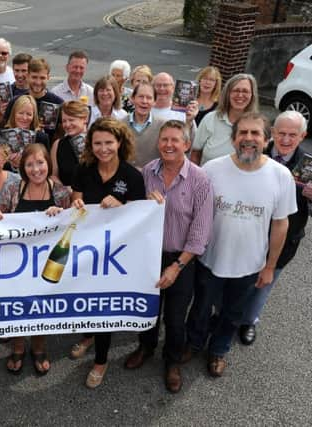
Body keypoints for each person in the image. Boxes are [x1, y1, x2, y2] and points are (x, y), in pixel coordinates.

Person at [184, 112, 297, 378]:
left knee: (233, 314)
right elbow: (195, 211)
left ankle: (219, 350)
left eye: (255, 133)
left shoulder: (281, 176)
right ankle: (194, 343)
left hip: (249, 264)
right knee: (200, 308)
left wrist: (270, 266)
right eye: (243, 133)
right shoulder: (212, 169)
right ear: (233, 139)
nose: (249, 139)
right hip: (209, 259)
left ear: (267, 140)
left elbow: (281, 224)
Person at [123, 120, 213, 393]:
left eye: (176, 140)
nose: (169, 145)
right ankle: (146, 347)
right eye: (165, 140)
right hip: (149, 255)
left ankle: (172, 361)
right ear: (158, 143)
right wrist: (140, 205)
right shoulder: (147, 172)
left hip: (182, 259)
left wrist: (177, 266)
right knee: (148, 308)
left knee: (174, 317)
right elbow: (130, 212)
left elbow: (200, 233)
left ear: (186, 144)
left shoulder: (200, 180)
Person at [69, 117, 145, 388]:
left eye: (109, 143)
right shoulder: (84, 169)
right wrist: (76, 202)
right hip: (87, 248)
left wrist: (122, 204)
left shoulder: (132, 176)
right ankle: (88, 335)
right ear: (91, 144)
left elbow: (139, 218)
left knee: (104, 305)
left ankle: (101, 361)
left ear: (120, 143)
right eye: (97, 143)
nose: (103, 148)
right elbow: (75, 200)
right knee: (86, 298)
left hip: (115, 254)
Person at [0, 143, 71, 375]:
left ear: (48, 164)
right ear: (23, 168)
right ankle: (17, 346)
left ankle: (38, 346)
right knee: (17, 304)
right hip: (17, 262)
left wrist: (62, 214)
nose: (36, 169)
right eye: (30, 164)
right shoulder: (13, 188)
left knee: (41, 305)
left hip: (48, 262)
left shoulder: (62, 192)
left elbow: (76, 223)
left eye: (40, 163)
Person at [239, 111, 311, 345]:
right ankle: (225, 314)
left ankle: (249, 321)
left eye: (293, 135)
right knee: (239, 279)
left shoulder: (309, 167)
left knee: (265, 282)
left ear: (303, 136)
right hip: (249, 232)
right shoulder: (253, 153)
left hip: (285, 239)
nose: (286, 140)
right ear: (272, 133)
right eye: (281, 133)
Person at [190, 73, 259, 166]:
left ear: (252, 96)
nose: (240, 95)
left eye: (245, 91)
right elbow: (195, 154)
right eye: (236, 90)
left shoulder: (257, 125)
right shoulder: (210, 119)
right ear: (228, 93)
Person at [3, 58, 64, 142]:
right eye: (34, 77)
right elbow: (5, 128)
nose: (38, 82)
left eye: (42, 78)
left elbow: (62, 134)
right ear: (27, 76)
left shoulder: (58, 103)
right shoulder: (16, 101)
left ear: (48, 78)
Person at [122, 82, 166, 168]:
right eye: (141, 97)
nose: (144, 101)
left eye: (149, 98)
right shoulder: (120, 125)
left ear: (154, 102)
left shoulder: (163, 126)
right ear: (132, 99)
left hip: (153, 178)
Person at [1, 95, 50, 169]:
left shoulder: (41, 138)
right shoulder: (2, 135)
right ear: (14, 113)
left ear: (34, 116)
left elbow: (47, 166)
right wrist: (11, 164)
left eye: (29, 114)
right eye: (21, 113)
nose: (24, 118)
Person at [51, 101, 90, 187]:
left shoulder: (95, 141)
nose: (67, 124)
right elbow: (53, 175)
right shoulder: (58, 144)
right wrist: (65, 190)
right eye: (64, 121)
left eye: (71, 120)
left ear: (85, 119)